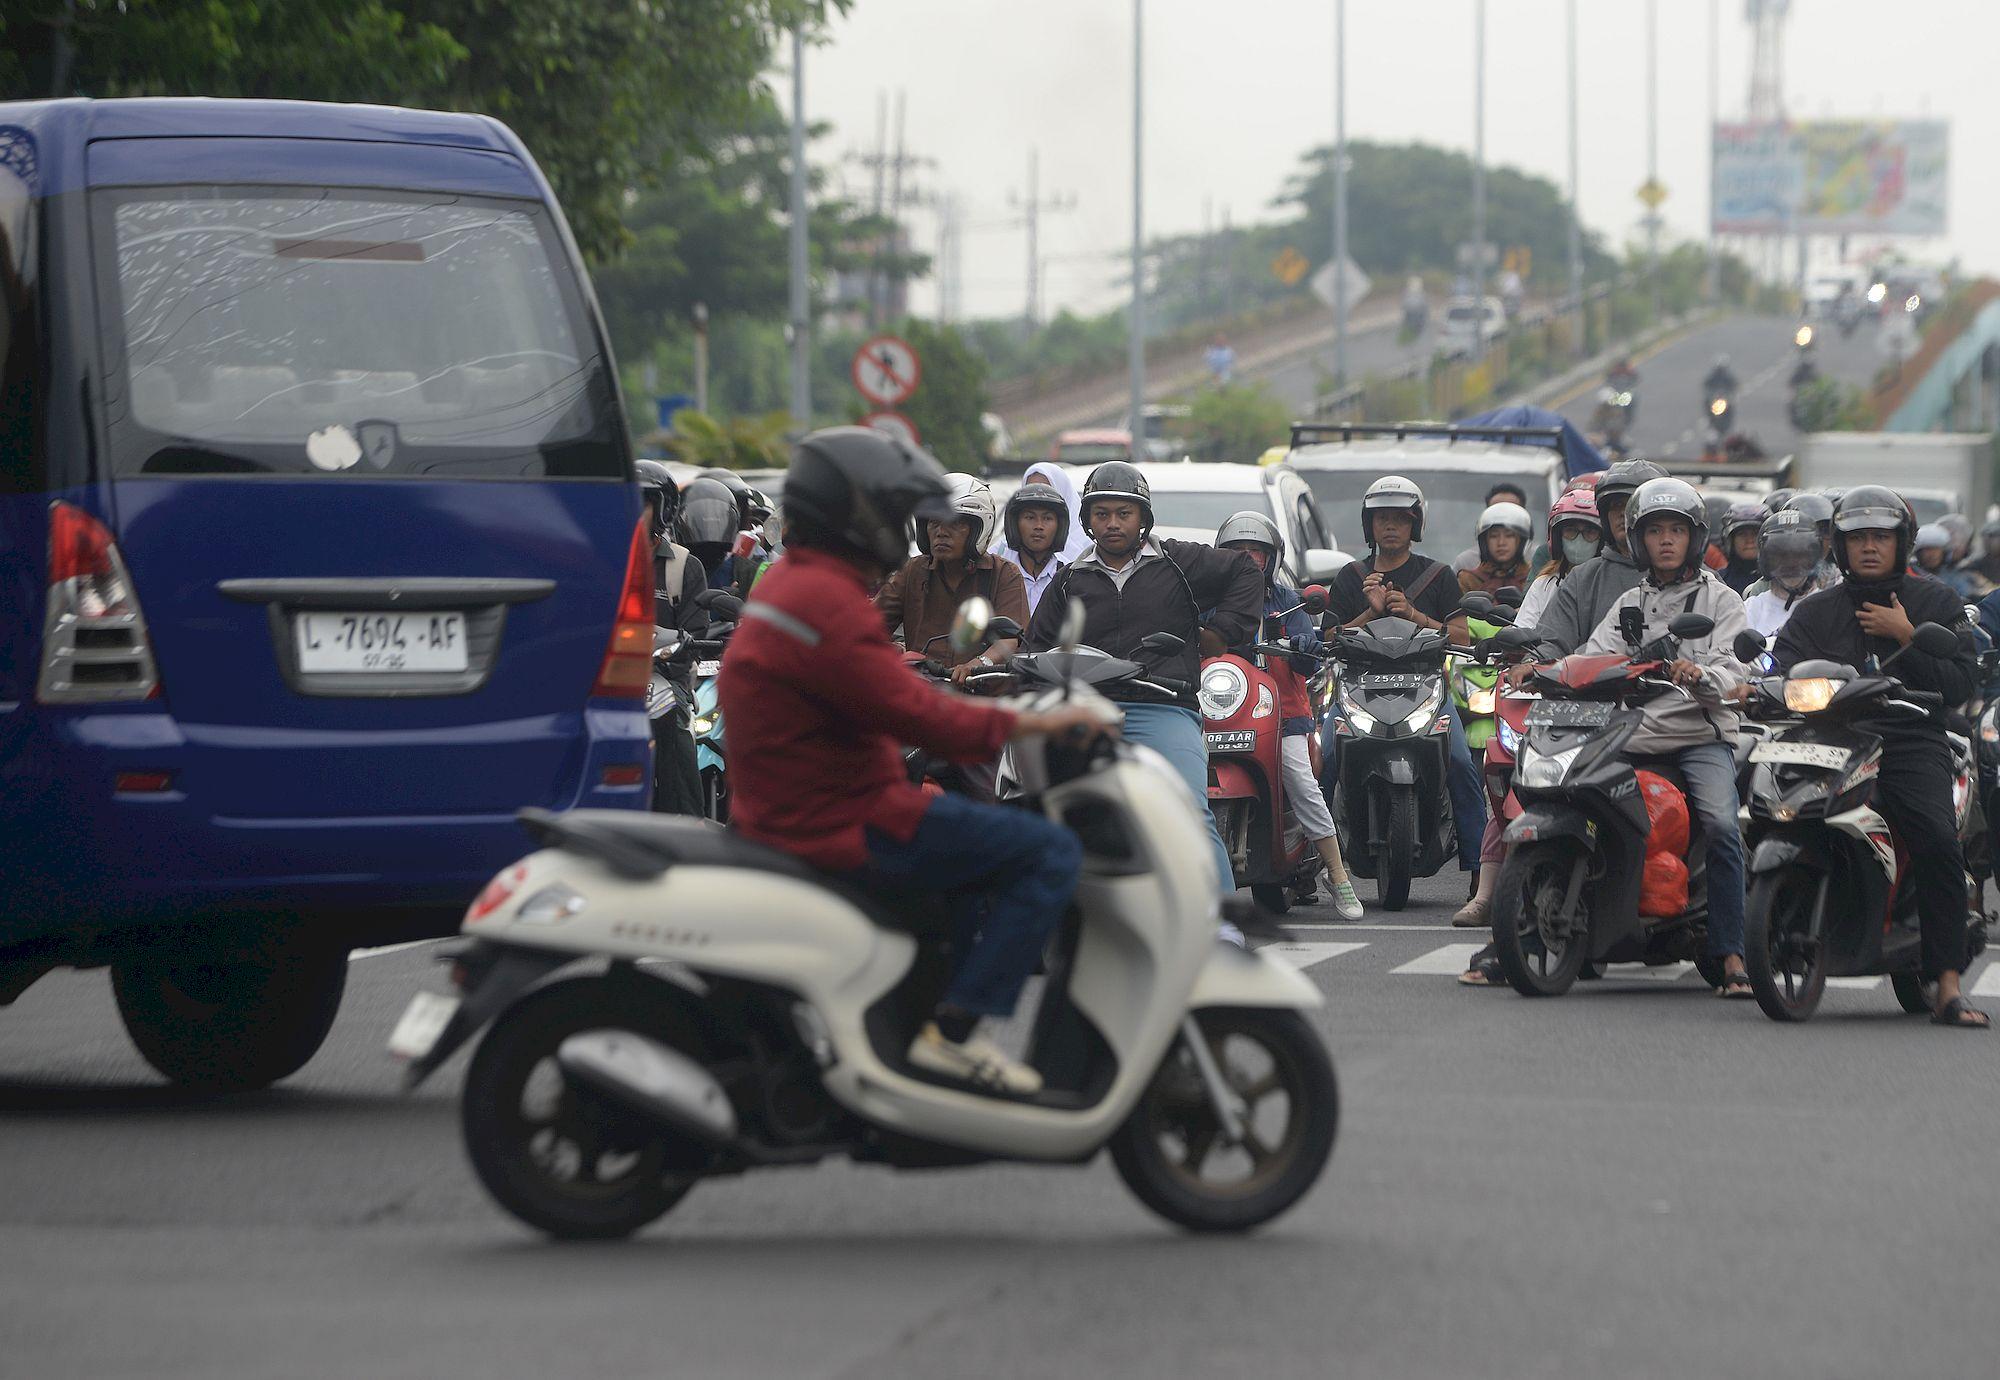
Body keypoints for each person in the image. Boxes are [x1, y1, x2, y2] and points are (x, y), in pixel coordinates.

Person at [720, 426, 1112, 1093]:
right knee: (1049, 853)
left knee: (967, 856)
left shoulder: (803, 584)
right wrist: (1033, 725)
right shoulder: (824, 600)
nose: (916, 531)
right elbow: (916, 711)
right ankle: (954, 1036)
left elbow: (934, 675)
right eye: (892, 512)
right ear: (854, 515)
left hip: (811, 803)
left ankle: (923, 1015)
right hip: (843, 818)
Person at [1772, 485, 1988, 1029]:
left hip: (1909, 738)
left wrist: (1907, 634)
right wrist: (1757, 688)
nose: (1869, 547)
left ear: (1902, 543)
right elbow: (1781, 671)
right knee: (1770, 810)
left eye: (1880, 538)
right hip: (1830, 739)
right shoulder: (1815, 610)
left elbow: (1961, 680)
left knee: (1937, 839)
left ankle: (1947, 985)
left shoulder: (1935, 602)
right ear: (1840, 547)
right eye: (1858, 538)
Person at [1025, 462, 1263, 903]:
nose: (1112, 523)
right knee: (1048, 812)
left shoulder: (1179, 562)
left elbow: (1246, 571)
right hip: (1085, 715)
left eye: (1124, 513)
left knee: (1191, 811)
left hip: (1165, 709)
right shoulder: (1069, 579)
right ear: (1087, 520)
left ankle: (1225, 921)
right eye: (1101, 513)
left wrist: (1222, 633)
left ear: (1143, 518)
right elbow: (1037, 649)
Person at [1571, 478, 1754, 998]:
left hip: (1699, 735)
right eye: (1655, 531)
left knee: (1722, 827)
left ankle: (1732, 953)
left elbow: (1734, 667)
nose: (1666, 540)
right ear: (1639, 540)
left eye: (1676, 530)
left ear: (1694, 538)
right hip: (1631, 733)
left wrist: (1701, 675)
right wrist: (1541, 669)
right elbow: (1592, 654)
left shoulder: (1721, 600)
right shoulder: (1630, 601)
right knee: (1577, 803)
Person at [1323, 475, 1488, 889]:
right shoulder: (1349, 577)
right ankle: (1306, 861)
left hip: (1426, 687)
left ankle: (1479, 866)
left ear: (1415, 525)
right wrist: (1370, 612)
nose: (1391, 526)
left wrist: (1414, 615)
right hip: (1357, 687)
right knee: (1321, 761)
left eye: (1400, 518)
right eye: (1382, 519)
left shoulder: (1438, 576)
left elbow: (1462, 636)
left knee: (1463, 765)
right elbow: (1328, 638)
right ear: (1369, 525)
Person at [1214, 511, 1364, 921]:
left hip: (1283, 713)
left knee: (1299, 777)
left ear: (1272, 558)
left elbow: (1309, 663)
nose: (1247, 558)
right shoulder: (1208, 601)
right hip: (1221, 712)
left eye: (1256, 552)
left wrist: (1304, 645)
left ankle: (1336, 871)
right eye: (1237, 551)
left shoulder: (1288, 602)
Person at [875, 472, 1028, 685]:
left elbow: (1011, 640)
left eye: (954, 523)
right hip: (919, 689)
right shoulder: (912, 570)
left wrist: (977, 664)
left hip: (980, 691)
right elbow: (872, 623)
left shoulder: (1004, 574)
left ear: (978, 529)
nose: (941, 532)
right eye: (933, 523)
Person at [1525, 459, 1666, 662]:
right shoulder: (1583, 579)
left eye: (1631, 503)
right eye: (1615, 506)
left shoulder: (1701, 582)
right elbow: (1551, 643)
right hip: (1594, 691)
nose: (1622, 513)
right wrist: (1532, 664)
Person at [637, 460, 710, 817]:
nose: (633, 512)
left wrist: (675, 646)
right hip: (612, 678)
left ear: (663, 508)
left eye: (643, 503)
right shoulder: (602, 559)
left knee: (677, 734)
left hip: (666, 678)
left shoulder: (683, 565)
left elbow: (696, 633)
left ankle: (688, 823)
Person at [1516, 488, 1603, 633]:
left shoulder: (1610, 583)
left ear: (1601, 540)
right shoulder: (1544, 585)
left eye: (1589, 532)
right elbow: (1524, 632)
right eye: (1571, 531)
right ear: (1557, 537)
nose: (1579, 539)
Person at [1742, 508, 1834, 641]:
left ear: (1814, 556)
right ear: (1765, 559)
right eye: (1781, 555)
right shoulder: (1750, 609)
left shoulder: (1830, 608)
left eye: (1799, 554)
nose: (1791, 563)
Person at [992, 482, 1073, 615]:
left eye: (1047, 518)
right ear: (1014, 524)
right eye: (1030, 517)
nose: (1039, 526)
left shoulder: (1069, 575)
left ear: (1059, 526)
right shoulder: (996, 572)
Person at [678, 475, 744, 592]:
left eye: (715, 512)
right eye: (702, 512)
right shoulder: (673, 566)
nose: (709, 520)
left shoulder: (744, 570)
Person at [1459, 502, 1534, 595]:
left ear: (1521, 541)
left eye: (1509, 535)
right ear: (1484, 541)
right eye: (1494, 536)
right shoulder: (1469, 580)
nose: (1501, 543)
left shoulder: (1535, 579)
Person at [1719, 503, 1765, 593]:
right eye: (1742, 534)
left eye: (1755, 533)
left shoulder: (1780, 581)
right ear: (1730, 541)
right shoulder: (1718, 582)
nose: (1749, 540)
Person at [1955, 518, 2000, 596]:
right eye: (1985, 538)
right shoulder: (1976, 563)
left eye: (1993, 537)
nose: (1988, 542)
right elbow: (1961, 571)